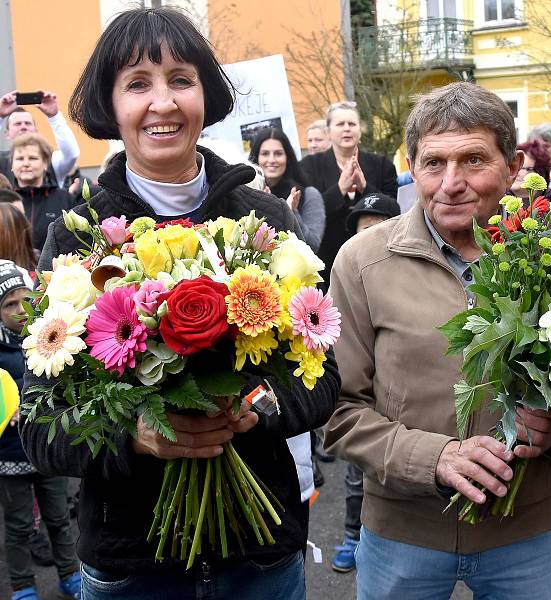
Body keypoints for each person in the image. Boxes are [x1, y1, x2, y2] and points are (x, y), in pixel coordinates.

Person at [20, 8, 340, 600]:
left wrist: (254, 406)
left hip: (261, 555)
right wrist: (135, 434)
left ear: (206, 93)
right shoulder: (80, 236)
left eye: (181, 80)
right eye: (138, 83)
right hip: (132, 566)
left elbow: (322, 379)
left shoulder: (263, 220)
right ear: (111, 106)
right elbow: (42, 422)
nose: (162, 102)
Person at [325, 82, 551, 599]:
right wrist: (434, 459)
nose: (451, 183)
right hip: (403, 535)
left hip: (528, 534)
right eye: (433, 163)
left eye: (474, 160)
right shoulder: (362, 262)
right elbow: (339, 410)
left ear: (514, 164)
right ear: (411, 167)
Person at [0, 260, 82, 600]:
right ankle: (22, 586)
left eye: (27, 300)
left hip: (48, 449)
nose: (21, 310)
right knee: (19, 526)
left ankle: (69, 575)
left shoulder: (50, 332)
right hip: (10, 458)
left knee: (60, 518)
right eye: (8, 304)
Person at [329, 191, 401, 575]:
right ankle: (352, 535)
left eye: (376, 229)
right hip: (364, 407)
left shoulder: (404, 278)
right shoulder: (349, 275)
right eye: (361, 230)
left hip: (397, 411)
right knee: (356, 480)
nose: (367, 237)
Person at [299, 100, 398, 290]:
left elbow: (394, 211)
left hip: (374, 259)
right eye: (340, 124)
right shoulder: (309, 166)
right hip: (326, 261)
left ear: (360, 130)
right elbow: (308, 217)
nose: (347, 129)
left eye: (352, 124)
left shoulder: (382, 165)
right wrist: (340, 190)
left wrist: (365, 187)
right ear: (328, 132)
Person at [249, 127, 326, 252]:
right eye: (265, 154)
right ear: (255, 158)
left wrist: (291, 213)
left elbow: (313, 245)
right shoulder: (245, 193)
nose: (272, 160)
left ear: (288, 157)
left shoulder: (308, 194)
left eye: (278, 153)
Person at [10, 133, 76, 251]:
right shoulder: (4, 200)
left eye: (32, 158)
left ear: (45, 163)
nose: (26, 164)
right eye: (20, 159)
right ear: (12, 165)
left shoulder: (65, 199)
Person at [0, 91, 80, 188]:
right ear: (7, 134)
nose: (23, 127)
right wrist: (0, 116)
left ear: (36, 131)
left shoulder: (50, 159)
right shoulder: (2, 161)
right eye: (17, 124)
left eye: (27, 123)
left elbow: (71, 154)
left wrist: (54, 117)